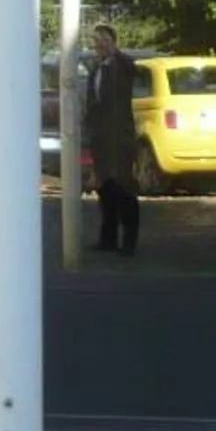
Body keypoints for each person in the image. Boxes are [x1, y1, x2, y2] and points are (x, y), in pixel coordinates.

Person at [85, 22, 141, 256]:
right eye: (98, 41)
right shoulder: (96, 69)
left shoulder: (122, 66)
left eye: (106, 41)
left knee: (123, 189)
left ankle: (129, 241)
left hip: (119, 139)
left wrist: (116, 55)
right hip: (101, 139)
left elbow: (132, 69)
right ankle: (107, 238)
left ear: (114, 43)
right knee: (105, 189)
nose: (101, 45)